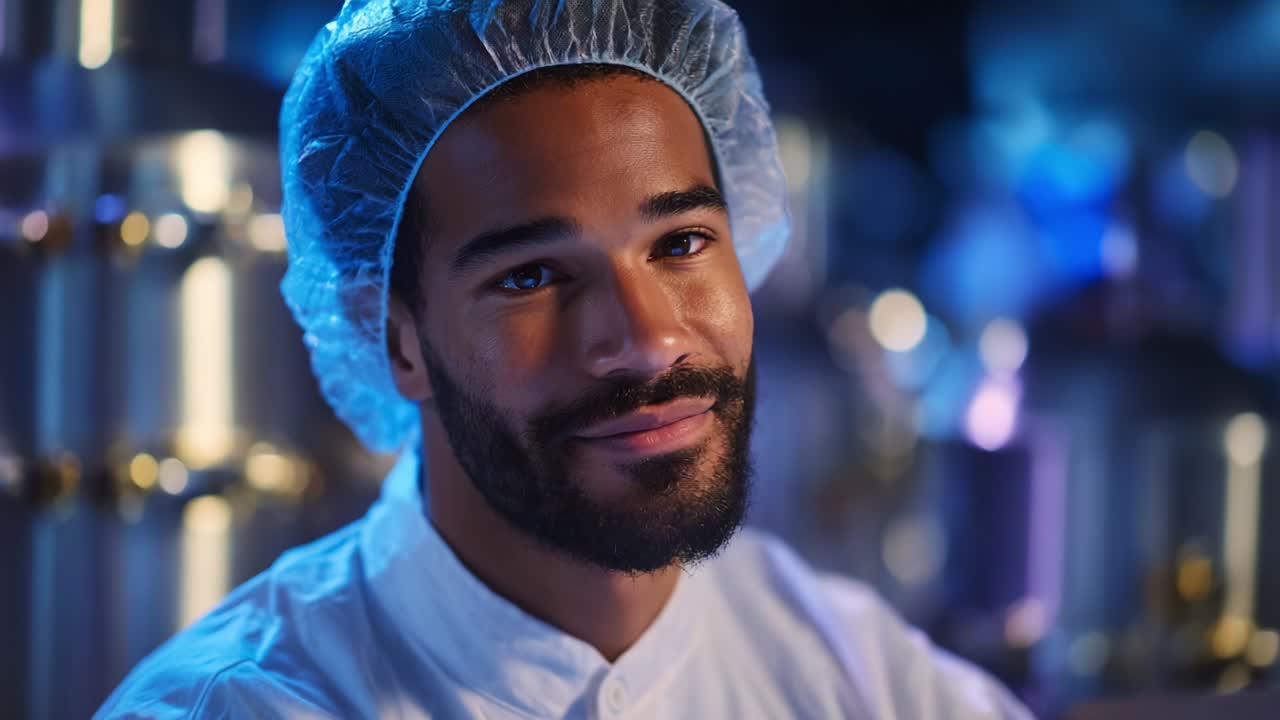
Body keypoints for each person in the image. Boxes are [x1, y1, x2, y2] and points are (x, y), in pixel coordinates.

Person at [98, 0, 1034, 717]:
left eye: (680, 244)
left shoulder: (861, 676)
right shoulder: (250, 702)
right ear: (398, 340)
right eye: (532, 275)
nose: (646, 338)